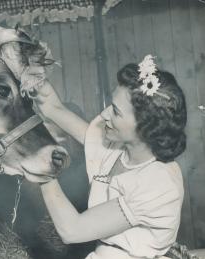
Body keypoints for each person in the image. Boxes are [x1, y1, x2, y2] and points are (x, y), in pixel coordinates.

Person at [31, 55, 187, 259]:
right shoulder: (114, 149)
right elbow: (54, 109)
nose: (104, 115)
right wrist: (34, 76)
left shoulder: (160, 183)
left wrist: (41, 167)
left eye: (115, 111)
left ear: (144, 127)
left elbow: (72, 230)